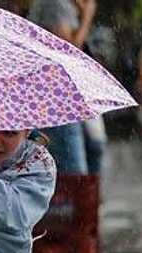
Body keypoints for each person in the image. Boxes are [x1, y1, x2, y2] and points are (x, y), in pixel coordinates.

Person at [26, 0, 101, 174]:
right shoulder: (55, 3)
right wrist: (88, 15)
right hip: (57, 96)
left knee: (94, 147)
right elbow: (69, 50)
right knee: (75, 170)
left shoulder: (67, 5)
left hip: (67, 94)